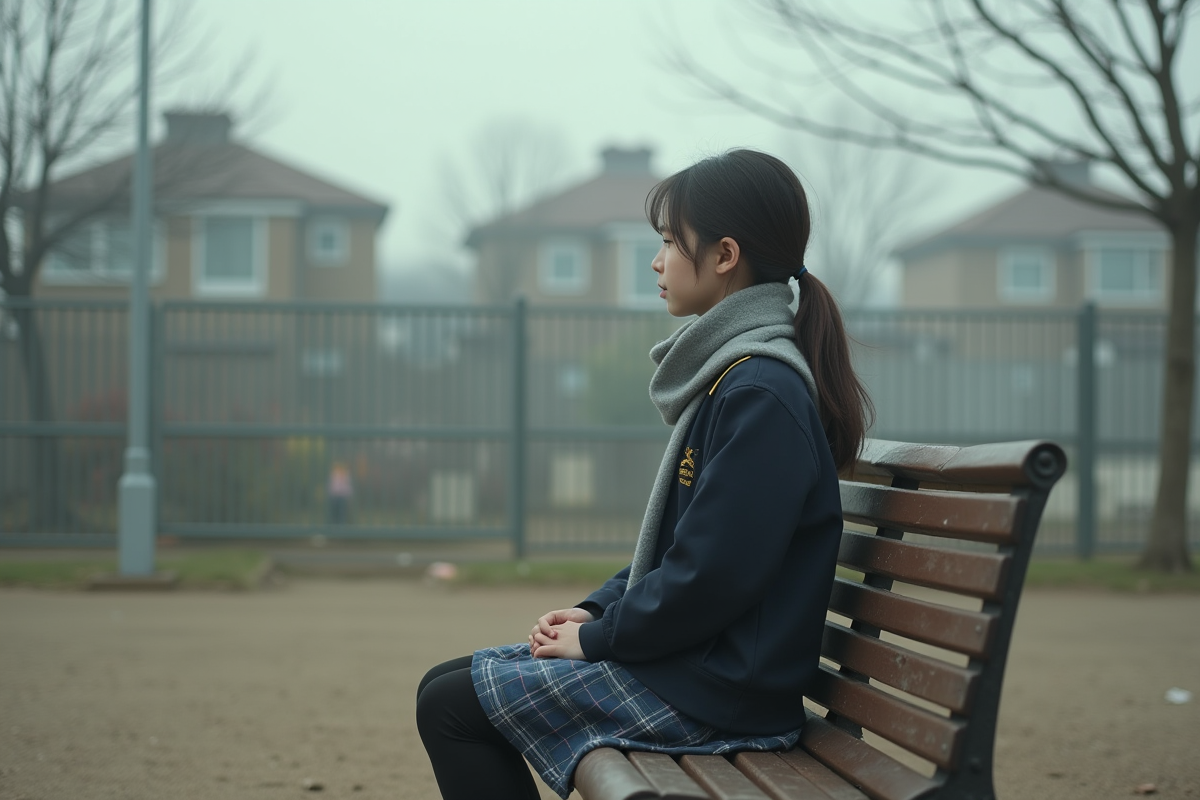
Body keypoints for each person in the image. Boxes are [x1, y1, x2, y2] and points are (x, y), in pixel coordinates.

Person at [415, 149, 873, 800]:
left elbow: (712, 576)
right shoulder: (738, 380)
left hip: (720, 697)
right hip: (709, 674)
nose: (656, 263)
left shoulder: (760, 392)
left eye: (667, 243)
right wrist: (596, 608)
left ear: (724, 255)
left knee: (452, 707)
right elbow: (684, 550)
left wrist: (599, 639)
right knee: (445, 685)